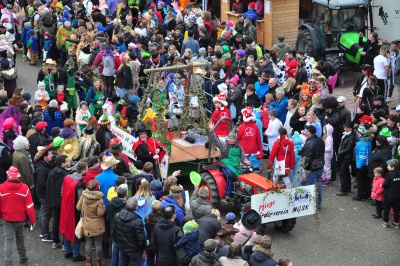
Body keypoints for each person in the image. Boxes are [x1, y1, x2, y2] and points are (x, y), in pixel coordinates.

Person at [0, 166, 36, 265]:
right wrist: (32, 221)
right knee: (20, 237)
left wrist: (1, 215)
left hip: (7, 219)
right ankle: (23, 257)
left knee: (9, 240)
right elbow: (29, 206)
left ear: (8, 175)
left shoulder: (1, 188)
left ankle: (8, 262)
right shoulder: (25, 188)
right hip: (20, 219)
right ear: (18, 177)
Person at [209, 121, 249, 196]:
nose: (230, 140)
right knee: (230, 175)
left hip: (236, 165)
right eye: (229, 138)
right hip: (226, 165)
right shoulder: (224, 146)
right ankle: (227, 194)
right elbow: (216, 141)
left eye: (232, 138)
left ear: (235, 139)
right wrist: (211, 131)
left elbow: (243, 157)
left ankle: (243, 189)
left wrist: (246, 161)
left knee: (248, 171)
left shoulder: (239, 147)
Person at [59, 162, 87, 262]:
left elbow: (62, 191)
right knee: (77, 232)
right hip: (75, 212)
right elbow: (81, 201)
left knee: (65, 229)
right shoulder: (79, 184)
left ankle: (67, 251)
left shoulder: (67, 177)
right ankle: (75, 254)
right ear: (83, 170)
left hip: (65, 208)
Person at [95, 151, 120, 258]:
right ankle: (115, 252)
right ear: (113, 165)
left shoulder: (97, 178)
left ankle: (105, 252)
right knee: (114, 229)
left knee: (104, 230)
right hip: (113, 207)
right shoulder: (117, 178)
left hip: (101, 206)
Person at [41, 155, 69, 247]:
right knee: (64, 220)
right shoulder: (65, 175)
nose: (68, 162)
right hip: (62, 201)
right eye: (66, 161)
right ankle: (65, 243)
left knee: (56, 220)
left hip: (53, 199)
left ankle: (55, 240)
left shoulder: (52, 172)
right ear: (62, 163)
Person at [77, 180, 106, 266]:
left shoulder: (84, 196)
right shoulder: (99, 199)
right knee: (98, 244)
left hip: (87, 223)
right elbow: (100, 213)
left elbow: (78, 207)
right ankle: (98, 262)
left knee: (88, 243)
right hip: (97, 225)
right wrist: (103, 207)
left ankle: (88, 262)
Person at [112, 197, 147, 266]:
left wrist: (119, 244)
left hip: (122, 248)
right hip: (134, 251)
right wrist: (142, 249)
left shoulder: (117, 216)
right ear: (136, 207)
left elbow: (113, 233)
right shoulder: (138, 221)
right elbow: (141, 239)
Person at [299, 125, 325, 209]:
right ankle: (318, 203)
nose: (305, 131)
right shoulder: (320, 140)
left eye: (306, 130)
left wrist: (305, 166)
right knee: (318, 184)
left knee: (311, 186)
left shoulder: (310, 143)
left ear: (309, 132)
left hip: (312, 167)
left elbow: (308, 157)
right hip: (320, 165)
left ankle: (312, 203)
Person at [34, 144, 54, 241]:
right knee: (46, 214)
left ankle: (43, 231)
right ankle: (45, 234)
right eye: (50, 154)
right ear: (44, 156)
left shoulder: (42, 165)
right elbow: (42, 183)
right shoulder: (42, 168)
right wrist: (53, 185)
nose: (52, 155)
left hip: (43, 193)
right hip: (44, 194)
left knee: (43, 212)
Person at [238, 106, 263, 171]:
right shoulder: (255, 126)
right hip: (253, 148)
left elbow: (238, 137)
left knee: (244, 162)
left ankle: (245, 173)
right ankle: (253, 172)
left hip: (243, 148)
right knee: (252, 162)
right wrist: (259, 149)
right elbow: (258, 138)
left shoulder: (241, 127)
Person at [109, 184, 128, 266]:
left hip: (113, 229)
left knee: (115, 252)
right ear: (126, 194)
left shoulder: (111, 203)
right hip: (122, 232)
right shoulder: (126, 206)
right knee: (122, 255)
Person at [336, 121, 357, 196]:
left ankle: (344, 189)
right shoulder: (346, 135)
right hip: (343, 156)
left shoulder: (351, 137)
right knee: (346, 172)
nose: (344, 128)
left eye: (346, 127)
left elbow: (349, 148)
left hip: (347, 157)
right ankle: (347, 188)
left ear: (350, 128)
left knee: (343, 172)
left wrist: (340, 153)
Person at [353, 125, 373, 201]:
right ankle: (366, 195)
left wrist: (358, 166)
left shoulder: (362, 143)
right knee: (366, 180)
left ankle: (359, 196)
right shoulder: (367, 141)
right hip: (366, 165)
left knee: (360, 181)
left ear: (360, 133)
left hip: (362, 165)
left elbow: (362, 156)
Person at [382, 159, 400, 228]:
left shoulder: (389, 174)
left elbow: (386, 184)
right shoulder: (399, 173)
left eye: (388, 166)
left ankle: (385, 222)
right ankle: (396, 222)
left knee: (387, 209)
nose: (387, 167)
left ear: (392, 167)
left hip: (389, 195)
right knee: (396, 209)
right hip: (397, 195)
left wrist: (382, 185)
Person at [145, 200, 163, 266]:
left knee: (149, 261)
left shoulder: (147, 218)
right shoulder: (162, 219)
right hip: (159, 242)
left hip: (149, 241)